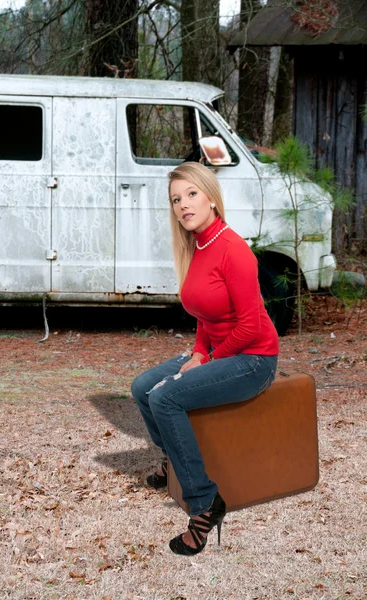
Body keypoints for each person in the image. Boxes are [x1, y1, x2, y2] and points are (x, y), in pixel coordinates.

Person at [131, 162, 279, 556]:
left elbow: (250, 327)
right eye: (176, 199)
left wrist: (208, 358)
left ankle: (204, 504)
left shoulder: (234, 250)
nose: (183, 204)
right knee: (143, 388)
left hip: (253, 358)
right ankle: (173, 462)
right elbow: (204, 314)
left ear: (211, 197)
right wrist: (199, 351)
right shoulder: (198, 245)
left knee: (166, 397)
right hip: (217, 351)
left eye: (191, 194)